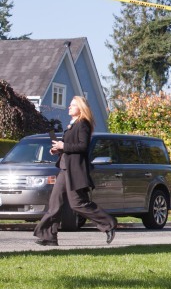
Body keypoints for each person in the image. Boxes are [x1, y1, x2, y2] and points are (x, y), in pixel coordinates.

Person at [33, 96, 117, 246]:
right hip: (65, 169)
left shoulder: (83, 124)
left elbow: (82, 147)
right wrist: (58, 149)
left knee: (77, 204)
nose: (68, 107)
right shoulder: (72, 125)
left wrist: (63, 146)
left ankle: (109, 223)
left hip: (74, 171)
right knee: (55, 204)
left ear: (80, 108)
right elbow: (70, 147)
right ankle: (48, 237)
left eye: (72, 105)